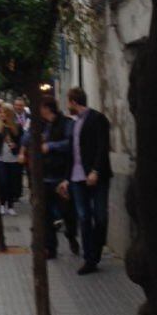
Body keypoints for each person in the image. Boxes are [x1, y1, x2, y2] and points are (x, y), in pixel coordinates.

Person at [58, 87, 112, 275]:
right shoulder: (73, 123)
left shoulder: (97, 119)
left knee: (100, 216)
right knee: (84, 217)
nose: (67, 105)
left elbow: (103, 147)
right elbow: (72, 154)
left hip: (96, 176)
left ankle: (96, 250)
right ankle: (90, 258)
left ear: (74, 102)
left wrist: (96, 170)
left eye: (68, 101)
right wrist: (66, 179)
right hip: (76, 178)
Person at [38, 96, 79, 259]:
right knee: (46, 214)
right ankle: (51, 248)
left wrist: (50, 146)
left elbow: (70, 143)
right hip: (46, 175)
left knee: (67, 212)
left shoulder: (66, 123)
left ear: (47, 108)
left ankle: (71, 236)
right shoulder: (42, 125)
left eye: (41, 107)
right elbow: (27, 138)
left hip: (62, 176)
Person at [0, 103, 23, 216]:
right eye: (0, 112)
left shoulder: (17, 126)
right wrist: (0, 131)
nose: (1, 114)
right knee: (3, 182)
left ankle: (10, 205)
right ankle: (1, 204)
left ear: (9, 114)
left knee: (11, 182)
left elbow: (21, 142)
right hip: (0, 158)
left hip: (12, 159)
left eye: (4, 112)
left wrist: (16, 146)